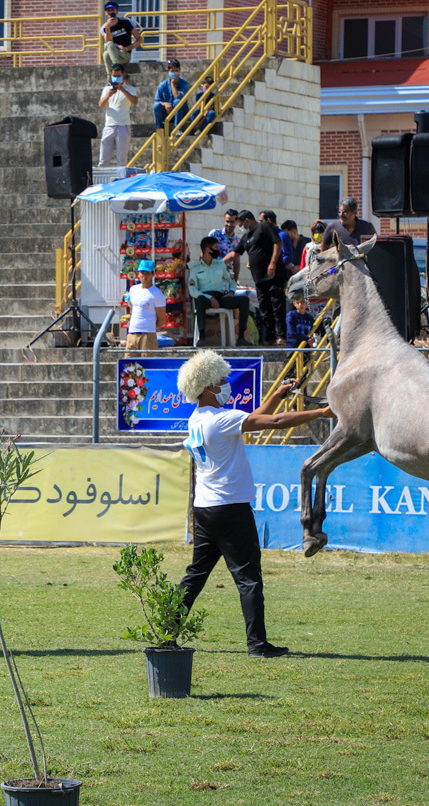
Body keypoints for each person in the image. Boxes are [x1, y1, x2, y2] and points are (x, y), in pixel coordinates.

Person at [177, 350, 333, 658]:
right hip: (231, 507)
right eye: (221, 379)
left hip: (206, 508)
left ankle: (167, 631)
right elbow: (272, 422)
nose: (226, 383)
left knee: (196, 573)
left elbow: (259, 416)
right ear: (208, 386)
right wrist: (322, 413)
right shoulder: (222, 420)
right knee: (248, 579)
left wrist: (277, 394)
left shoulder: (198, 419)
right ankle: (257, 645)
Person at [226, 209, 285, 345]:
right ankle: (269, 338)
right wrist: (217, 262)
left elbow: (278, 243)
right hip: (259, 279)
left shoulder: (265, 227)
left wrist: (273, 263)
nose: (241, 228)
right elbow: (235, 254)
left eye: (241, 224)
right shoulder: (246, 238)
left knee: (277, 305)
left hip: (274, 276)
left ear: (247, 220)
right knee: (265, 309)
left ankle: (281, 337)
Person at [189, 236, 251, 346]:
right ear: (208, 249)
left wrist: (231, 292)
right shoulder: (195, 267)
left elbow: (231, 281)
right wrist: (210, 298)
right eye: (216, 247)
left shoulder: (220, 264)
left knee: (244, 300)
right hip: (205, 298)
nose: (218, 250)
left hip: (220, 297)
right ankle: (202, 338)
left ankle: (241, 338)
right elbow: (193, 290)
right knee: (199, 300)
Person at [98, 63, 138, 168]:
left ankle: (120, 182)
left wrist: (122, 90)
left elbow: (134, 101)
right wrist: (109, 95)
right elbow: (101, 105)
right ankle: (102, 181)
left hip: (123, 126)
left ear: (123, 75)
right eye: (114, 76)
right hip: (109, 126)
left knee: (121, 159)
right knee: (103, 159)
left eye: (118, 75)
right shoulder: (107, 89)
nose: (116, 78)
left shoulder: (130, 89)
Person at [126, 259, 166, 350]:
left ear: (152, 274)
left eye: (147, 273)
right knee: (129, 363)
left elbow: (162, 319)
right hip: (132, 333)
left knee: (147, 363)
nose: (144, 276)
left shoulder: (157, 294)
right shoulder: (133, 289)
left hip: (148, 335)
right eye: (142, 273)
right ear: (138, 274)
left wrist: (149, 327)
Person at [101, 2, 142, 73]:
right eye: (108, 10)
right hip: (112, 53)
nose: (110, 12)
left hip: (124, 54)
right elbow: (109, 42)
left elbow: (139, 39)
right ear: (105, 13)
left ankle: (117, 68)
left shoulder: (126, 22)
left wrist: (128, 48)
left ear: (117, 11)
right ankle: (111, 78)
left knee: (109, 48)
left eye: (112, 10)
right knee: (106, 54)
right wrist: (108, 28)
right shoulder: (104, 28)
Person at [154, 58, 189, 132]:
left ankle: (178, 129)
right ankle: (160, 129)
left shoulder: (185, 84)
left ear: (179, 70)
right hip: (167, 113)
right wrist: (165, 104)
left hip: (181, 113)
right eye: (172, 71)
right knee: (156, 106)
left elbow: (178, 97)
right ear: (168, 71)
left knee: (177, 102)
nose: (174, 73)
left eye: (176, 71)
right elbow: (157, 100)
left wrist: (173, 84)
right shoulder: (162, 85)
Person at [207, 208, 242, 281]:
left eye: (232, 222)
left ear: (237, 222)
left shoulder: (238, 241)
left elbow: (237, 262)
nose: (229, 224)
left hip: (228, 276)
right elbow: (205, 253)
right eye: (227, 221)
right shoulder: (215, 234)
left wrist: (235, 281)